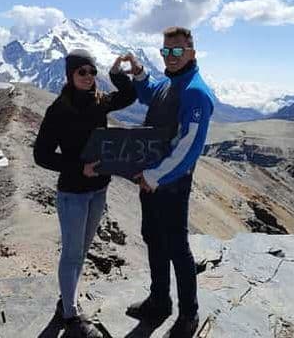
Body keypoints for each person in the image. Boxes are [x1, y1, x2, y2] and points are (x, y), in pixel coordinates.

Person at [33, 49, 136, 338]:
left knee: (82, 251)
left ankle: (67, 300)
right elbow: (40, 155)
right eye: (82, 72)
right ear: (70, 75)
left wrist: (117, 74)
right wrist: (80, 168)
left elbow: (129, 96)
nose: (89, 77)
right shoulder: (58, 110)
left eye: (92, 72)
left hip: (98, 191)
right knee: (72, 253)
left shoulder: (99, 102)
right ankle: (70, 316)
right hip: (73, 194)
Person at [122, 27, 216, 337]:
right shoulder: (171, 83)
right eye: (166, 51)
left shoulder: (196, 92)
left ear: (192, 52)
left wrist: (154, 176)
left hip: (170, 184)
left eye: (177, 51)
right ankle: (159, 301)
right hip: (151, 180)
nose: (171, 57)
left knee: (177, 246)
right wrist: (138, 73)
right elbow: (151, 93)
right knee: (153, 238)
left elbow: (189, 147)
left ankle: (188, 314)